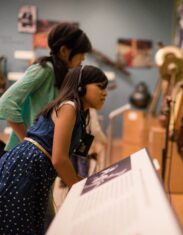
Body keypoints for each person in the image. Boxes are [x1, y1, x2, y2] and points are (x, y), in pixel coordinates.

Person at [0, 65, 108, 234]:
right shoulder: (69, 107)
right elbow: (59, 159)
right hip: (26, 169)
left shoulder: (78, 113)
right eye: (100, 86)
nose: (105, 93)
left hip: (35, 170)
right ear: (81, 86)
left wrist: (82, 182)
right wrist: (80, 187)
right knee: (17, 226)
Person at [0, 22, 92, 153]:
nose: (83, 58)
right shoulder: (44, 70)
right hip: (25, 158)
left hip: (44, 157)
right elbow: (6, 103)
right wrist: (29, 143)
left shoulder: (63, 75)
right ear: (64, 51)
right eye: (81, 53)